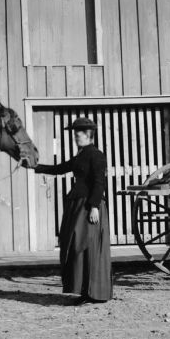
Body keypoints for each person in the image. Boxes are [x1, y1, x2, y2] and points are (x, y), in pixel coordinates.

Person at [34, 117, 112, 303]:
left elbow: (99, 182)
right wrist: (35, 167)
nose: (76, 138)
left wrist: (94, 207)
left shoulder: (97, 155)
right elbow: (61, 168)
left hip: (89, 206)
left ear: (88, 135)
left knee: (86, 246)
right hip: (77, 206)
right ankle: (84, 291)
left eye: (79, 136)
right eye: (75, 136)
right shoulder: (81, 155)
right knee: (75, 246)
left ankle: (94, 293)